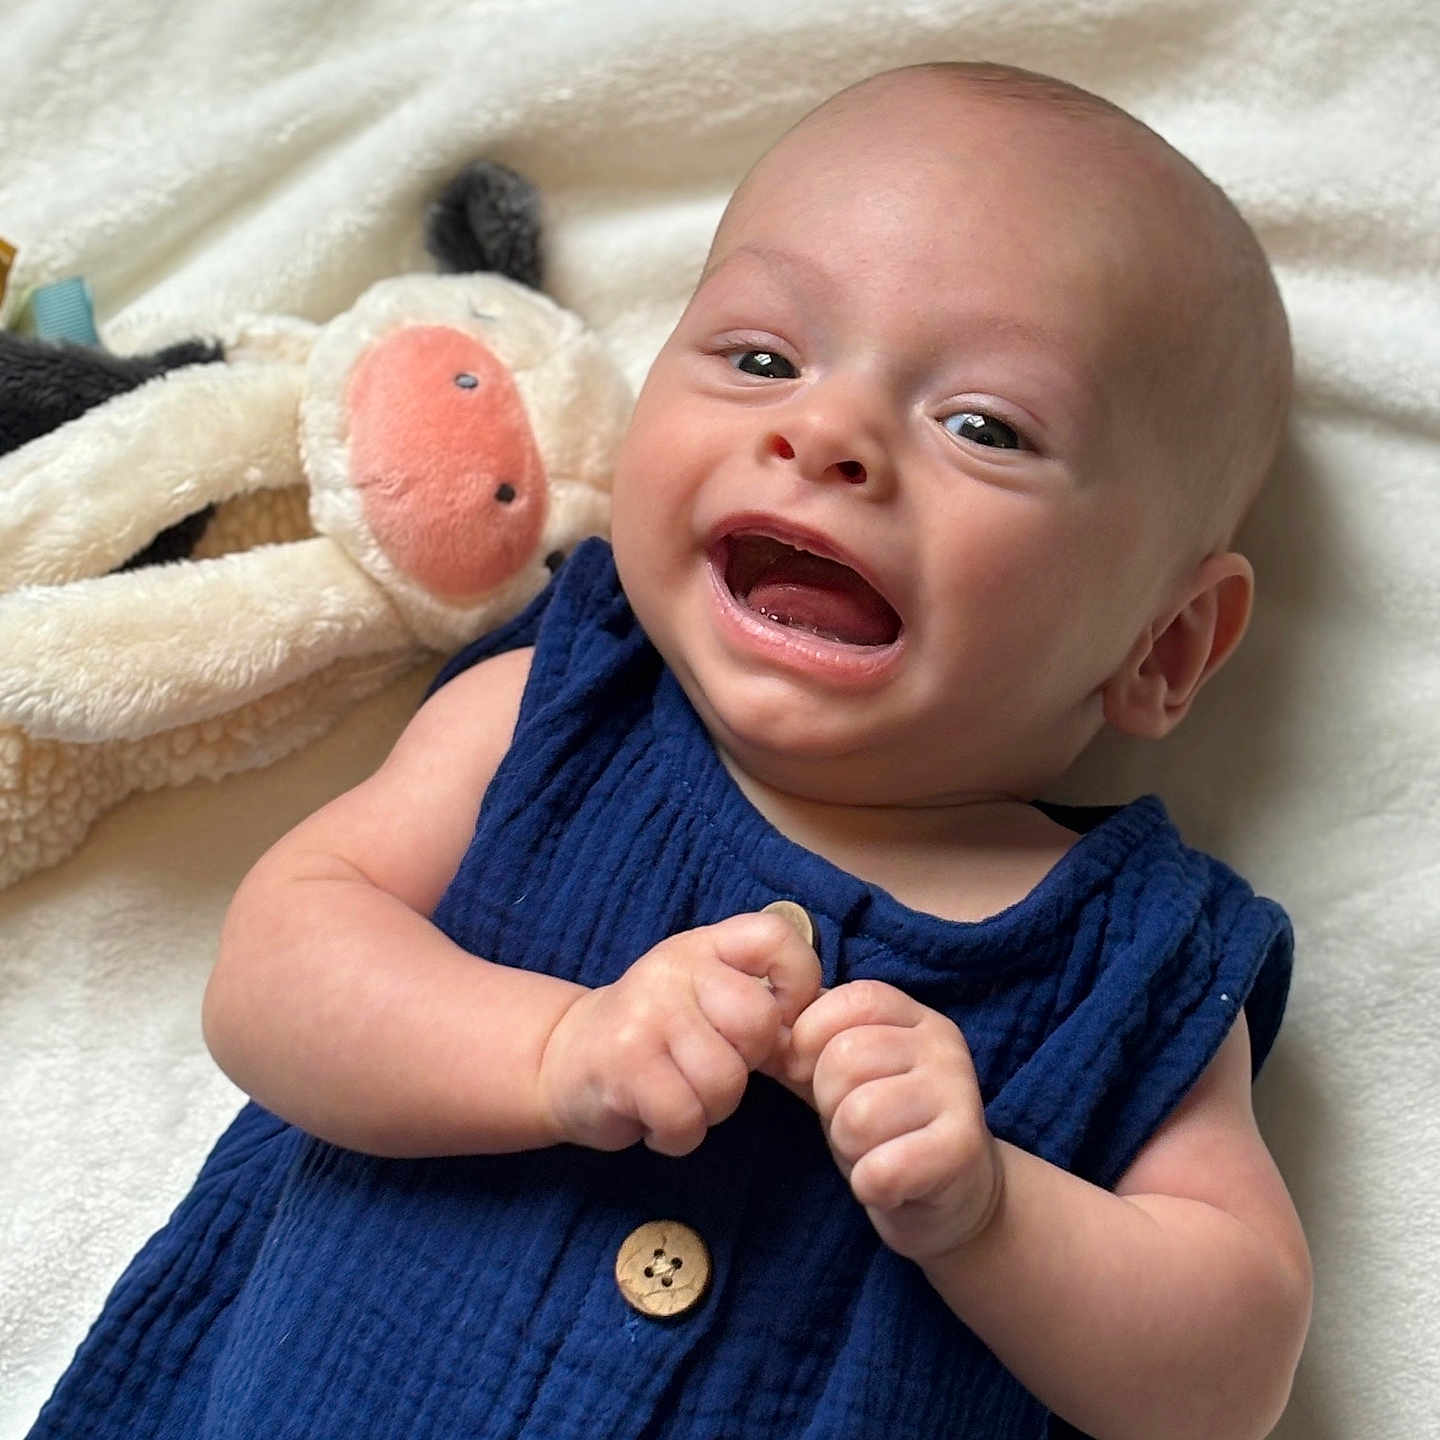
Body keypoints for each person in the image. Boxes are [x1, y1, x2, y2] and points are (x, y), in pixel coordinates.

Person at [29, 61, 1310, 1440]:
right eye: (763, 358)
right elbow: (274, 976)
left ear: (1166, 647)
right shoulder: (557, 710)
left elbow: (1228, 1374)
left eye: (984, 427)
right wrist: (555, 1050)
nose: (824, 433)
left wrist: (993, 1212)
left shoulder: (1135, 963)